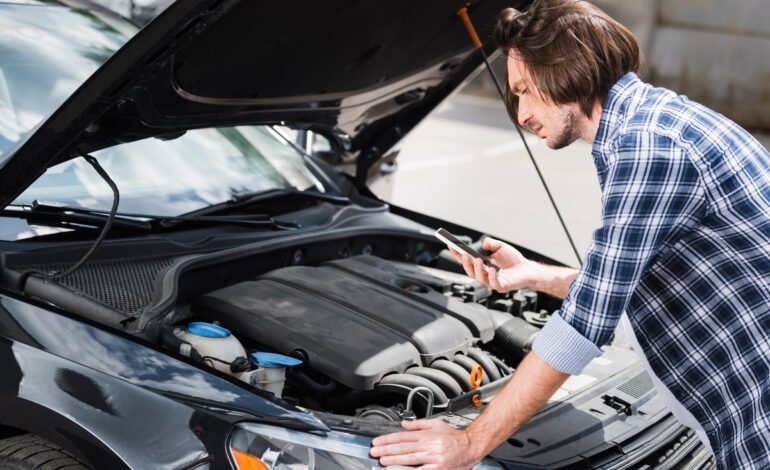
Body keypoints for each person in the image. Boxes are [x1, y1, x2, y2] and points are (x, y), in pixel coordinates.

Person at [369, 0, 770, 468]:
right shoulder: (651, 124)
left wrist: (470, 441)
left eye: (522, 89)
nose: (519, 113)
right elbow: (627, 284)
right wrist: (532, 276)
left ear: (567, 66)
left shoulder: (649, 149)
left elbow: (587, 322)